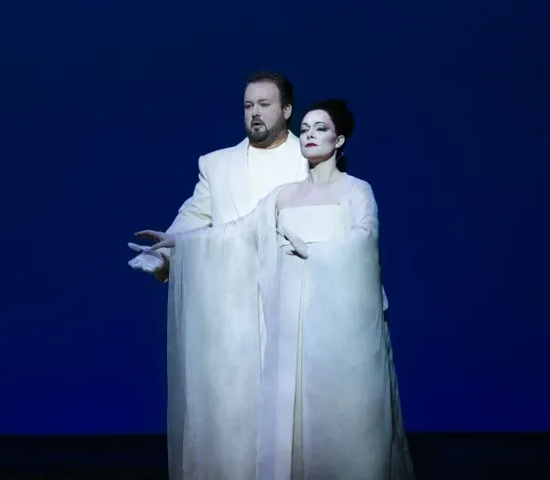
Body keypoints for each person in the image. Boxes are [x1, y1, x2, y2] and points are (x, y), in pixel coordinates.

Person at [131, 100, 414, 479]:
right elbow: (234, 234)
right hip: (290, 323)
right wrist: (177, 243)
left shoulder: (356, 191)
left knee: (345, 420)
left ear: (340, 139)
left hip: (340, 326)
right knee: (292, 420)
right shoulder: (283, 195)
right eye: (308, 128)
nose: (311, 135)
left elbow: (364, 240)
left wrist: (313, 251)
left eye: (321, 128)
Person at [128, 71, 308, 280]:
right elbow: (192, 219)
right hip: (232, 297)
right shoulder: (217, 166)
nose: (255, 112)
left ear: (286, 110)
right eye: (248, 106)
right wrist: (162, 255)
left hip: (292, 293)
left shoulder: (310, 163)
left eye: (264, 104)